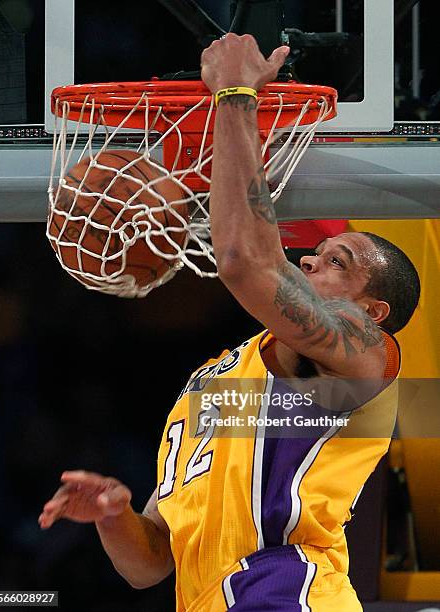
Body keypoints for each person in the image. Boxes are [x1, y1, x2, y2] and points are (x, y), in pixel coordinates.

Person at [39, 35, 420, 611]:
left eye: (337, 261)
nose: (311, 258)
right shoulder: (213, 382)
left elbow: (246, 262)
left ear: (373, 312)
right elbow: (149, 565)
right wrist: (113, 514)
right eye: (318, 253)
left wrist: (237, 94)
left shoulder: (365, 354)